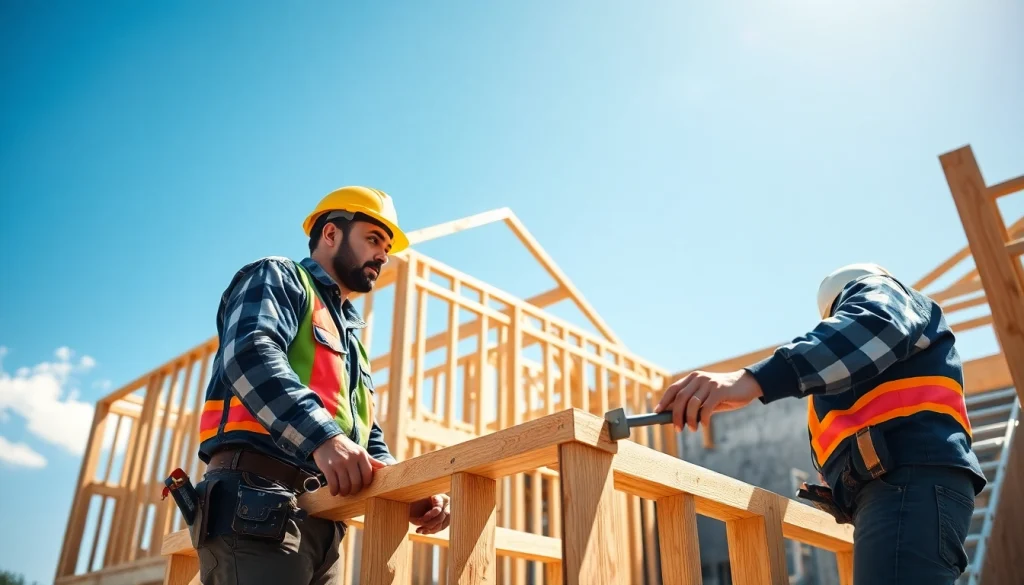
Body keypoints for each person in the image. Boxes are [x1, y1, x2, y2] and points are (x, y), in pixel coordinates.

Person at [654, 262, 987, 584]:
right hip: (901, 491)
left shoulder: (881, 292)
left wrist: (752, 379)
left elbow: (873, 325)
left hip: (906, 485)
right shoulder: (854, 374)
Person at [189, 186, 451, 584]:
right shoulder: (278, 276)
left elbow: (364, 434)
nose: (383, 255)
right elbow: (249, 354)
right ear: (330, 234)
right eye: (374, 239)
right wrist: (323, 439)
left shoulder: (351, 340)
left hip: (322, 519)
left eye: (386, 246)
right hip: (256, 505)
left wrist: (405, 487)